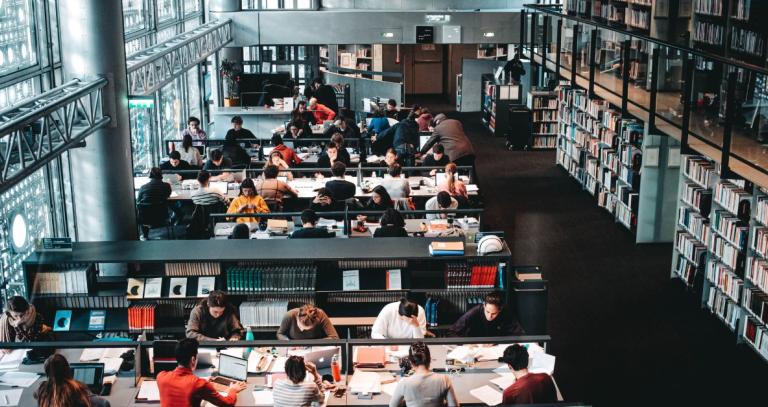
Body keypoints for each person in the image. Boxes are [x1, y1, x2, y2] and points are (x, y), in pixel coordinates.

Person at [157, 338, 246, 407]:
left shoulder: (161, 377)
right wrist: (233, 390)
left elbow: (180, 383)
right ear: (193, 359)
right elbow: (228, 403)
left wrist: (204, 382)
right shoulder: (199, 384)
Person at [388, 342, 458, 407]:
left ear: (411, 362)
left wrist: (408, 401)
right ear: (430, 359)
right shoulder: (444, 380)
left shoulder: (404, 383)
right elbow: (454, 405)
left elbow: (393, 405)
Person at [35, 354, 111, 407]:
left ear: (47, 374)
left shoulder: (44, 398)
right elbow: (104, 404)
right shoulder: (81, 396)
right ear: (68, 371)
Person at [449, 291, 525, 337]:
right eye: (487, 311)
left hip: (495, 348)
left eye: (494, 313)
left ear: (500, 310)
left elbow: (519, 334)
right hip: (474, 346)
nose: (489, 316)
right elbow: (452, 332)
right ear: (484, 305)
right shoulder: (474, 311)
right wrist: (465, 343)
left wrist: (497, 342)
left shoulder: (505, 312)